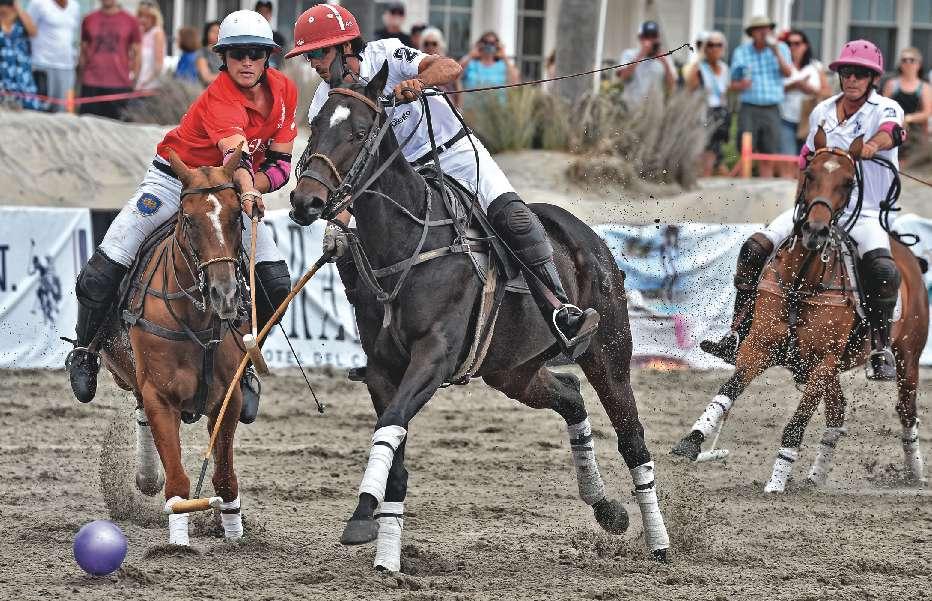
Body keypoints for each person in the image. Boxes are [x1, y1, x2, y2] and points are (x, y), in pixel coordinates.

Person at [287, 4, 599, 364]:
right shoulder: (324, 103)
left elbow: (450, 67)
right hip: (400, 179)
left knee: (513, 218)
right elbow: (342, 171)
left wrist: (418, 82)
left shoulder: (387, 53)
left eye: (319, 53)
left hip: (455, 155)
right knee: (352, 249)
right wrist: (338, 221)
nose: (313, 63)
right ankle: (378, 347)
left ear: (345, 47)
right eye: (309, 56)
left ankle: (560, 311)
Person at [66, 10, 298, 424]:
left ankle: (243, 365)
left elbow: (281, 163)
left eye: (256, 53)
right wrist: (248, 187)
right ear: (223, 58)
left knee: (278, 283)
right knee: (104, 267)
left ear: (268, 57)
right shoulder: (220, 96)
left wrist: (251, 190)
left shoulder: (285, 90)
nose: (247, 62)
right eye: (238, 54)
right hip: (174, 181)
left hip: (227, 191)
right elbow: (237, 157)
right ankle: (85, 351)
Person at [701, 40, 906, 381]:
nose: (852, 79)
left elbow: (892, 132)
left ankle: (880, 349)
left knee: (883, 270)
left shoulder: (885, 108)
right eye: (846, 72)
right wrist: (801, 204)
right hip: (816, 209)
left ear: (873, 78)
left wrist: (873, 145)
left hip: (865, 211)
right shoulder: (822, 111)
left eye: (860, 74)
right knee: (754, 248)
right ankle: (737, 331)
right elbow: (805, 159)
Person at [729, 16, 793, 178]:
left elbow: (788, 73)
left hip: (772, 108)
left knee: (768, 153)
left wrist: (776, 52)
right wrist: (741, 84)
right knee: (746, 150)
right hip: (749, 107)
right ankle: (745, 185)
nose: (764, 32)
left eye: (767, 28)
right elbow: (732, 83)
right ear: (752, 33)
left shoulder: (781, 48)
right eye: (759, 29)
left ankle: (766, 187)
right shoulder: (741, 51)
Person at [78, 0, 141, 119]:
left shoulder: (130, 20)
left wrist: (134, 80)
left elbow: (137, 53)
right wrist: (82, 78)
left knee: (117, 128)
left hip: (119, 85)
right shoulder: (88, 19)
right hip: (91, 84)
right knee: (88, 126)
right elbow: (83, 50)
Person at [685, 30, 730, 177]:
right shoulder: (698, 67)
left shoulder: (724, 68)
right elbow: (689, 87)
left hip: (719, 115)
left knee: (714, 155)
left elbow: (724, 92)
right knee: (702, 154)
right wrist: (699, 57)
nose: (715, 48)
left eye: (719, 45)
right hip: (702, 115)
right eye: (710, 45)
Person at [778, 29, 822, 177]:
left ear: (805, 46)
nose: (792, 47)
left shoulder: (815, 66)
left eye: (797, 43)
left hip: (808, 120)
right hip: (785, 118)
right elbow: (775, 89)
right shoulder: (782, 67)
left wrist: (802, 87)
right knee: (787, 159)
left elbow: (821, 91)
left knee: (805, 162)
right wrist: (797, 84)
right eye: (789, 44)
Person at [26, 0, 80, 113]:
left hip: (67, 68)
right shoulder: (37, 3)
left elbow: (74, 35)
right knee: (40, 110)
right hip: (43, 66)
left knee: (63, 112)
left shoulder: (75, 5)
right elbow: (27, 31)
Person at [616, 20, 676, 108]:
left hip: (654, 109)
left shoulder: (666, 58)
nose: (651, 40)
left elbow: (671, 85)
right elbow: (623, 76)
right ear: (640, 38)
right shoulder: (628, 54)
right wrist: (641, 54)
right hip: (631, 107)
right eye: (647, 36)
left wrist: (664, 62)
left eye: (654, 36)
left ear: (658, 38)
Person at [882, 47, 932, 146]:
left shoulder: (925, 87)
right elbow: (883, 107)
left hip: (915, 135)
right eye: (904, 60)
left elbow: (927, 113)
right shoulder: (891, 84)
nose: (908, 63)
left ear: (919, 64)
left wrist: (908, 118)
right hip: (892, 132)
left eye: (912, 60)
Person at [458, 30, 519, 108]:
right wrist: (470, 55)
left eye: (492, 43)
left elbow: (515, 80)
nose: (489, 46)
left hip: (496, 109)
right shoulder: (471, 63)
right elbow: (456, 73)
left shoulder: (502, 65)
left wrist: (504, 56)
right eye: (486, 42)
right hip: (472, 109)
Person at [0, 0, 39, 110]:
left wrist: (19, 8)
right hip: (2, 72)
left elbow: (33, 32)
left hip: (21, 71)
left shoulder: (21, 19)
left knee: (27, 108)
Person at [420, 26, 460, 104]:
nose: (430, 47)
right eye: (426, 44)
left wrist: (458, 107)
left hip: (447, 104)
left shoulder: (448, 63)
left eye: (434, 44)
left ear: (440, 45)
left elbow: (458, 88)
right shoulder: (417, 64)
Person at [135, 0, 165, 91]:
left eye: (147, 17)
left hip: (150, 87)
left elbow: (159, 66)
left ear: (154, 17)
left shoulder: (157, 33)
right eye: (140, 16)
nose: (142, 20)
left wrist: (145, 82)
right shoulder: (141, 33)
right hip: (138, 85)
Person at [254, 1, 285, 69]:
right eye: (261, 12)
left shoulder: (278, 38)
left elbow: (282, 63)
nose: (263, 15)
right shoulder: (249, 36)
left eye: (267, 12)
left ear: (270, 15)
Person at [196, 20, 222, 86]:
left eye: (219, 32)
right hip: (209, 88)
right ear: (206, 33)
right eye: (213, 31)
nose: (216, 34)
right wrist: (228, 77)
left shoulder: (226, 52)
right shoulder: (202, 52)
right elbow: (206, 78)